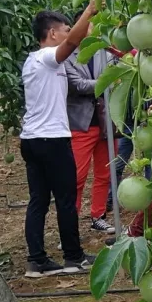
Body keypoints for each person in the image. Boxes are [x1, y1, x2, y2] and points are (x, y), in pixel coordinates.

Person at [20, 0, 99, 278]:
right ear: (52, 34)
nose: (69, 34)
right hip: (52, 140)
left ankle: (37, 260)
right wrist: (89, 11)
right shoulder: (46, 58)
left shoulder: (31, 61)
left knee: (38, 200)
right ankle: (73, 257)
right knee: (66, 199)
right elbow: (72, 43)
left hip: (31, 139)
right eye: (65, 29)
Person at [65, 48, 115, 234]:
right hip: (81, 124)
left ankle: (98, 216)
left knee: (104, 173)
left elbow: (118, 79)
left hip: (106, 123)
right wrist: (107, 83)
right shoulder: (68, 56)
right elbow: (77, 85)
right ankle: (70, 224)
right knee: (76, 177)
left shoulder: (106, 53)